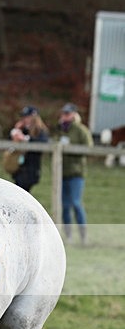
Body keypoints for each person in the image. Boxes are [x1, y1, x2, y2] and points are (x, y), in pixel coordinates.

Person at [53, 103, 93, 244]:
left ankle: (83, 236)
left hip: (76, 173)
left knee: (76, 203)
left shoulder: (81, 130)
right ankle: (68, 236)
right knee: (64, 206)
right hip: (62, 173)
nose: (64, 116)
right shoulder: (59, 130)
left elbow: (88, 147)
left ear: (73, 115)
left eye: (67, 113)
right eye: (63, 113)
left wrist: (71, 148)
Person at [8, 105, 49, 192]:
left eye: (27, 117)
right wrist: (16, 130)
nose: (24, 119)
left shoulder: (40, 130)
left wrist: (25, 139)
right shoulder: (22, 128)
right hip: (19, 168)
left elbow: (42, 143)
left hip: (31, 168)